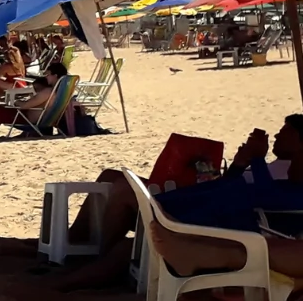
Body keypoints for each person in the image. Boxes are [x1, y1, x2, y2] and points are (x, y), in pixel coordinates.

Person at [60, 116, 303, 287]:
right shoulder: (284, 172)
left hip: (212, 227)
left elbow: (266, 198)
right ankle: (73, 259)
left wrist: (258, 160)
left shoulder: (287, 181)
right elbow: (231, 187)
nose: (278, 134)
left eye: (287, 131)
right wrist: (240, 164)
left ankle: (72, 274)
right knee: (130, 224)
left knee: (127, 204)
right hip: (203, 213)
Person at [0, 60, 67, 139]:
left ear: (55, 75)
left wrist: (16, 102)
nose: (46, 77)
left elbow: (24, 106)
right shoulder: (62, 92)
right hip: (39, 119)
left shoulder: (48, 92)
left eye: (48, 75)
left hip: (27, 119)